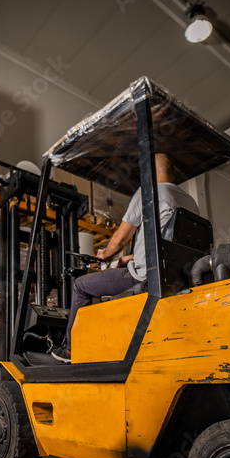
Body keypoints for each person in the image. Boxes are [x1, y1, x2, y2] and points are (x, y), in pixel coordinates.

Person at [51, 153, 199, 362]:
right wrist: (125, 259)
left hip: (144, 277)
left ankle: (71, 350)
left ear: (149, 172)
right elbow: (164, 245)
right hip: (177, 276)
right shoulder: (189, 201)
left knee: (81, 286)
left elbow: (120, 239)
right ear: (172, 175)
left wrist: (105, 255)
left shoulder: (148, 192)